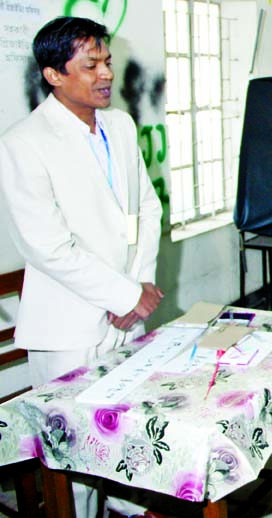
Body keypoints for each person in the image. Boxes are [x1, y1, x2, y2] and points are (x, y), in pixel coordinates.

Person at [0, 16, 163, 517]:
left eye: (107, 61)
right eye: (89, 64)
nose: (105, 73)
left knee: (126, 437)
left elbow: (146, 210)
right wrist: (122, 295)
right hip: (69, 326)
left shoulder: (119, 124)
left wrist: (142, 285)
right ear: (53, 74)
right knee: (74, 456)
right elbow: (46, 246)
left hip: (128, 317)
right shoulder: (25, 142)